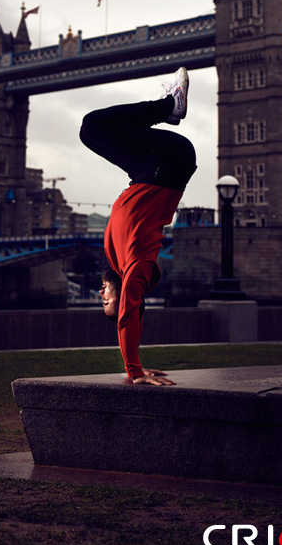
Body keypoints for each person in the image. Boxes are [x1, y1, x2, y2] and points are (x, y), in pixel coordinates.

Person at [79, 67, 196, 385]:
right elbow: (130, 313)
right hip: (168, 166)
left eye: (101, 297)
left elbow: (131, 312)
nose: (101, 293)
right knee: (92, 126)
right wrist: (134, 370)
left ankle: (169, 109)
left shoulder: (115, 256)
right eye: (108, 301)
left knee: (90, 131)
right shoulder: (138, 267)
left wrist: (138, 366)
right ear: (128, 296)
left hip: (148, 171)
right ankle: (169, 106)